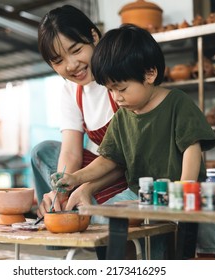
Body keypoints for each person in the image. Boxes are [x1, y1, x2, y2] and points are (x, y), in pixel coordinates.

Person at [52, 24, 215, 259]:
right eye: (111, 90)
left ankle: (211, 257)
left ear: (149, 74)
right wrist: (75, 178)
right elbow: (108, 160)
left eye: (121, 88)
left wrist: (184, 187)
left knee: (200, 225)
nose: (117, 97)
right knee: (108, 216)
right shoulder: (123, 116)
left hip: (183, 189)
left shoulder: (177, 103)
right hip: (141, 194)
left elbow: (191, 148)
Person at [32, 5, 127, 220]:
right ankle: (57, 218)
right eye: (58, 61)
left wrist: (86, 187)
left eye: (76, 51)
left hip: (130, 170)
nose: (72, 65)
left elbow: (127, 158)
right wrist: (59, 191)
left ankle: (88, 207)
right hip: (102, 167)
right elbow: (71, 153)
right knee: (42, 151)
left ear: (93, 36)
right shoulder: (71, 90)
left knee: (109, 228)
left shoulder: (120, 78)